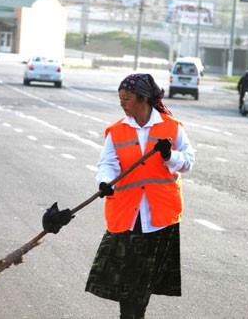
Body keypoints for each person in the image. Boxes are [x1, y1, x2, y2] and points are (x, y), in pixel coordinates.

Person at [86, 73, 195, 319]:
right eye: (120, 98)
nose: (122, 103)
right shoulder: (116, 131)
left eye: (127, 98)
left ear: (143, 99)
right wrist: (104, 182)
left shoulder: (172, 127)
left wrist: (170, 156)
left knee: (144, 281)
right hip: (128, 214)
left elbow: (188, 163)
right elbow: (107, 164)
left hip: (160, 217)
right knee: (128, 279)